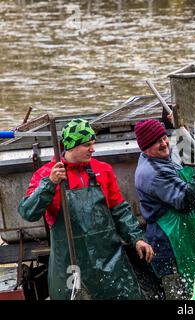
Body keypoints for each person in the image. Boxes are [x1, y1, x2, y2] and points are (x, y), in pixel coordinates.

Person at [18, 118, 154, 300]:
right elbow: (28, 212)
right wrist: (49, 184)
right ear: (71, 146)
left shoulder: (103, 170)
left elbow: (119, 210)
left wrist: (137, 239)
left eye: (93, 144)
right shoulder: (46, 175)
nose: (93, 149)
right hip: (70, 267)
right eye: (87, 145)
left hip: (110, 263)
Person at [134, 118, 195, 300]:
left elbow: (180, 155)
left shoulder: (158, 157)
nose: (164, 144)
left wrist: (180, 127)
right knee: (181, 295)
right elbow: (186, 202)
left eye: (164, 138)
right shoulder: (154, 172)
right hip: (170, 246)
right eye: (157, 142)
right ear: (145, 147)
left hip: (182, 235)